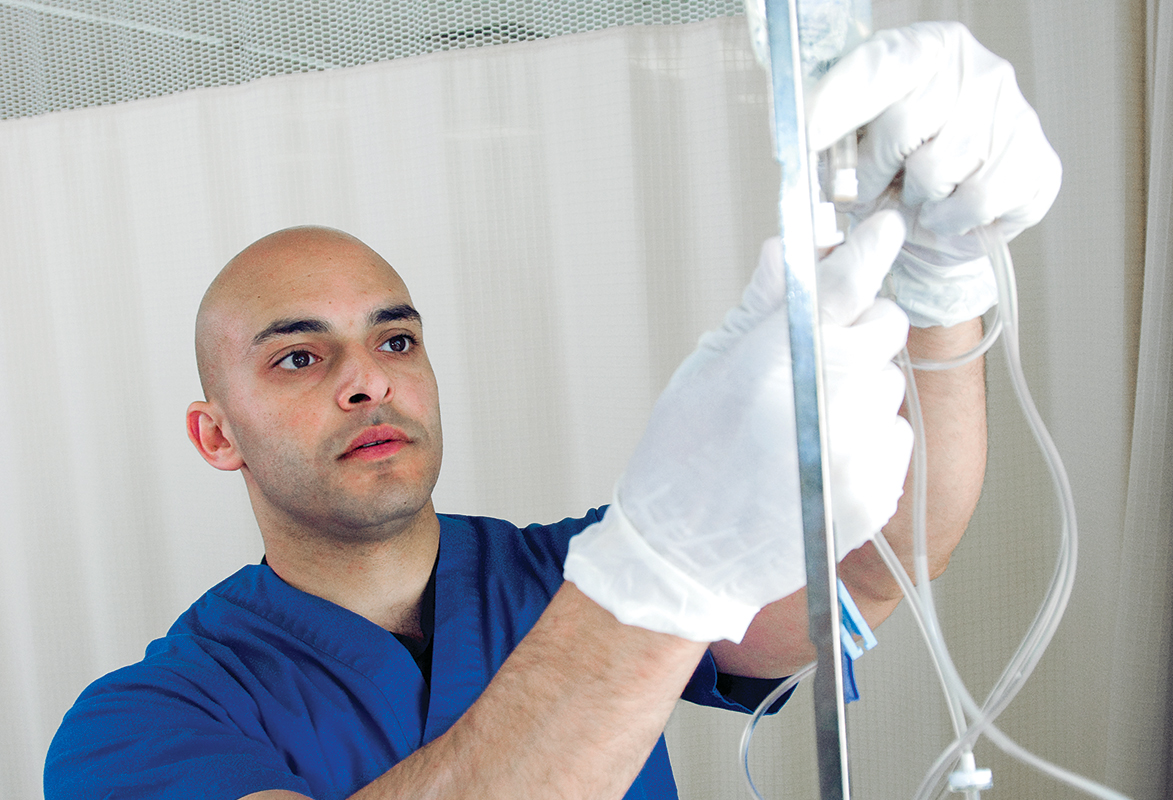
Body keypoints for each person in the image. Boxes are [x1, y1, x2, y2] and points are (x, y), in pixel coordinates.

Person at [44, 21, 1060, 800]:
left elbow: (880, 561)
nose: (368, 379)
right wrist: (654, 582)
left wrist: (938, 287)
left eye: (395, 339)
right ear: (216, 433)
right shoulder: (138, 721)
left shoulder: (562, 572)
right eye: (301, 356)